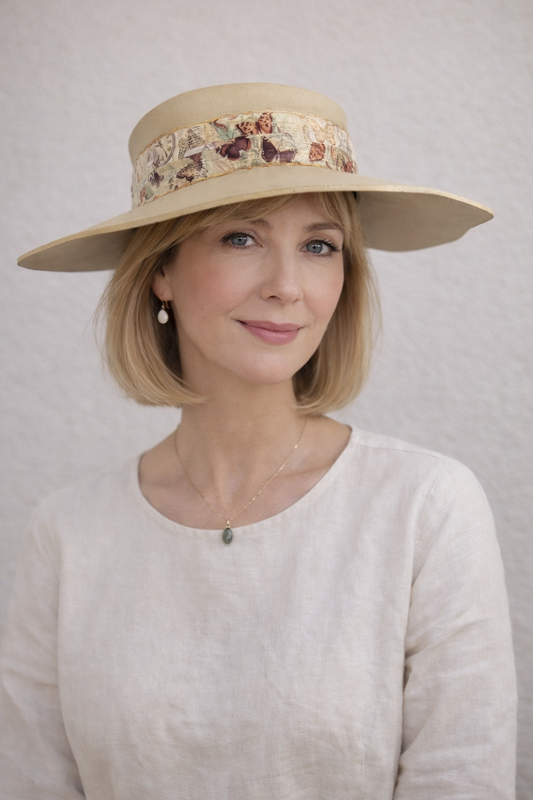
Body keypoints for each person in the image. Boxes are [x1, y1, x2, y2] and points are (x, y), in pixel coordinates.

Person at [0, 83, 516, 799]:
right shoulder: (69, 532)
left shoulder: (423, 506)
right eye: (241, 237)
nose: (286, 285)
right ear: (160, 271)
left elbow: (461, 778)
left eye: (318, 246)